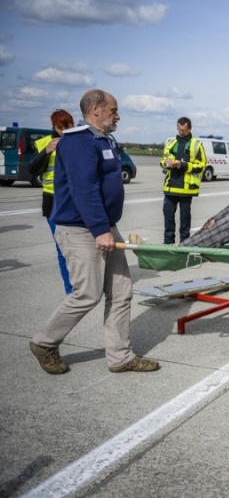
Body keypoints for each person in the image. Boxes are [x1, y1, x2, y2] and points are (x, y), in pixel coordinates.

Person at [30, 89, 160, 375]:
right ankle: (44, 342)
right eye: (114, 110)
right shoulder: (77, 142)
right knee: (87, 294)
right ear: (96, 110)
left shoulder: (102, 139)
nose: (118, 115)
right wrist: (101, 230)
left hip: (103, 227)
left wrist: (107, 228)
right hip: (81, 229)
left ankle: (120, 356)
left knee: (122, 291)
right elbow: (84, 190)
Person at [29, 109, 75, 294]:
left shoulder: (78, 141)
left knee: (78, 247)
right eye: (60, 127)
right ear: (53, 126)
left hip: (74, 201)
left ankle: (84, 283)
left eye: (67, 126)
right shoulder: (43, 143)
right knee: (61, 248)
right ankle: (70, 289)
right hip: (53, 202)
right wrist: (46, 152)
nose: (64, 130)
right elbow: (33, 169)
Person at [161, 117, 206, 244]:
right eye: (179, 130)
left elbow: (201, 165)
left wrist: (183, 165)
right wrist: (167, 163)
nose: (181, 132)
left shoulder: (196, 144)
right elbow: (162, 160)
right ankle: (168, 243)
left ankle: (184, 244)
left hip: (186, 188)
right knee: (168, 216)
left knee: (185, 219)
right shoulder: (171, 142)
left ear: (189, 128)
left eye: (184, 130)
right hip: (170, 187)